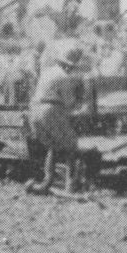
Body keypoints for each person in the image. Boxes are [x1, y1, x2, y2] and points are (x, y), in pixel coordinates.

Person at [26, 43, 86, 194]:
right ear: (69, 66)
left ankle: (47, 182)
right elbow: (69, 103)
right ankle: (71, 186)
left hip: (35, 111)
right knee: (72, 146)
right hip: (49, 110)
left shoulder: (47, 72)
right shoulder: (64, 77)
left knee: (53, 147)